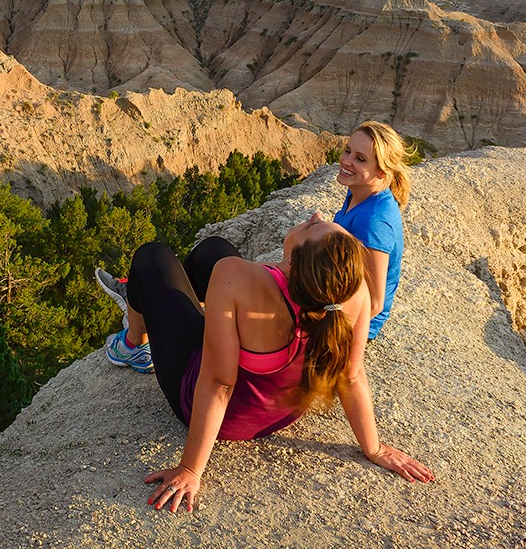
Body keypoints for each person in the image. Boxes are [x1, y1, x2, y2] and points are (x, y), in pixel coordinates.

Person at [97, 218, 433, 514]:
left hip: (219, 411)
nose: (314, 215)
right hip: (281, 412)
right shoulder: (349, 287)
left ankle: (134, 346)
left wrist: (190, 469)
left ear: (291, 263)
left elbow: (218, 384)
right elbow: (352, 373)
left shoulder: (235, 277)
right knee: (213, 249)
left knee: (152, 258)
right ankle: (192, 313)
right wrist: (373, 448)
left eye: (314, 226)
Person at [333, 120, 414, 342]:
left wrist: (327, 333)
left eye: (360, 159)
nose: (346, 161)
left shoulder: (373, 221)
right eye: (347, 151)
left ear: (381, 171)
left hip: (350, 324)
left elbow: (375, 302)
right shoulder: (360, 193)